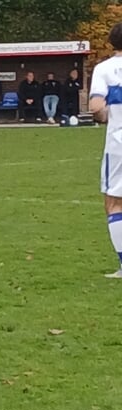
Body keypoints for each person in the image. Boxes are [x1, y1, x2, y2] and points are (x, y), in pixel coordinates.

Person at [89, 23, 122, 278]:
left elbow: (95, 106)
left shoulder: (104, 69)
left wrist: (104, 113)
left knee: (113, 203)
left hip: (118, 142)